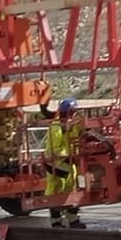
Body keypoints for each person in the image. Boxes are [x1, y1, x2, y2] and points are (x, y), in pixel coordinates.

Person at [44, 98, 85, 229]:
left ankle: (73, 220)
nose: (73, 114)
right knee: (55, 191)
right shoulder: (56, 127)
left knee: (71, 189)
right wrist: (67, 156)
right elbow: (55, 149)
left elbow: (78, 137)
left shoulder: (72, 125)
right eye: (72, 112)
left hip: (68, 163)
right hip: (55, 164)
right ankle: (56, 221)